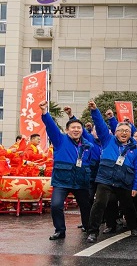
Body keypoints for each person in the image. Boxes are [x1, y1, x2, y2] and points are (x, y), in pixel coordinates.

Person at [86, 101, 137, 243]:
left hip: (124, 181)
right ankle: (93, 232)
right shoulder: (108, 140)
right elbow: (100, 125)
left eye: (127, 131)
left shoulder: (136, 150)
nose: (124, 133)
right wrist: (95, 111)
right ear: (115, 132)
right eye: (121, 130)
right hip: (105, 179)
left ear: (131, 134)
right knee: (99, 203)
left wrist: (135, 187)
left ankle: (133, 226)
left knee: (128, 205)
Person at [39, 101, 93, 241]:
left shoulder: (88, 145)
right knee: (56, 205)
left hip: (81, 181)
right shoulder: (60, 140)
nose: (76, 130)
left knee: (86, 205)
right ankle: (60, 230)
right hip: (62, 180)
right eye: (73, 127)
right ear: (67, 130)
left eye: (79, 128)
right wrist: (45, 112)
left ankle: (87, 227)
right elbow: (51, 127)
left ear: (82, 130)